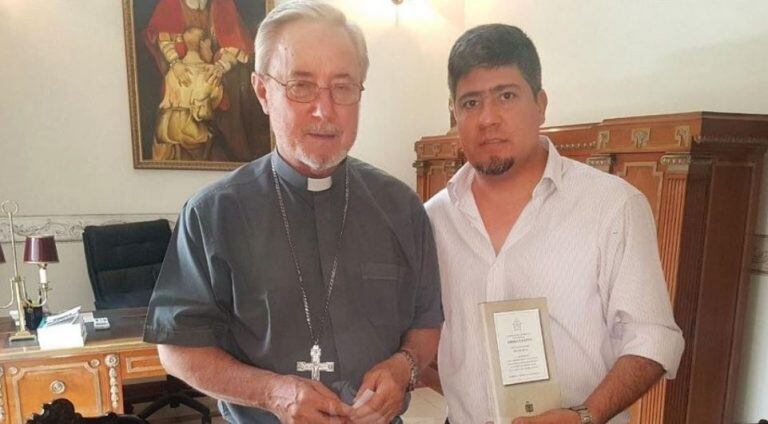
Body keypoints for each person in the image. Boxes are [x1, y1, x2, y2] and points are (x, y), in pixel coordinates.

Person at [143, 1, 442, 423]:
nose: (325, 110)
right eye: (301, 85)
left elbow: (427, 321)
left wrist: (404, 367)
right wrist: (271, 393)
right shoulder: (213, 214)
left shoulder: (401, 207)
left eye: (343, 87)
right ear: (263, 91)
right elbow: (177, 348)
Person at [425, 24, 684, 424]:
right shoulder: (433, 219)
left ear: (540, 104)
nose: (488, 118)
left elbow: (653, 339)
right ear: (453, 114)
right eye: (471, 102)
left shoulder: (613, 206)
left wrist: (585, 414)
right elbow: (425, 337)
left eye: (506, 96)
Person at [143, 0, 271, 161]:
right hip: (182, 75)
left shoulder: (223, 5)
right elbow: (163, 39)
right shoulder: (171, 4)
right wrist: (175, 62)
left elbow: (237, 45)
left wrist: (220, 66)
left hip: (215, 76)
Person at [153, 27, 224, 161]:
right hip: (193, 133)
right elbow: (206, 113)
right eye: (210, 44)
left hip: (167, 130)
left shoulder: (172, 73)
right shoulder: (209, 75)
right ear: (204, 43)